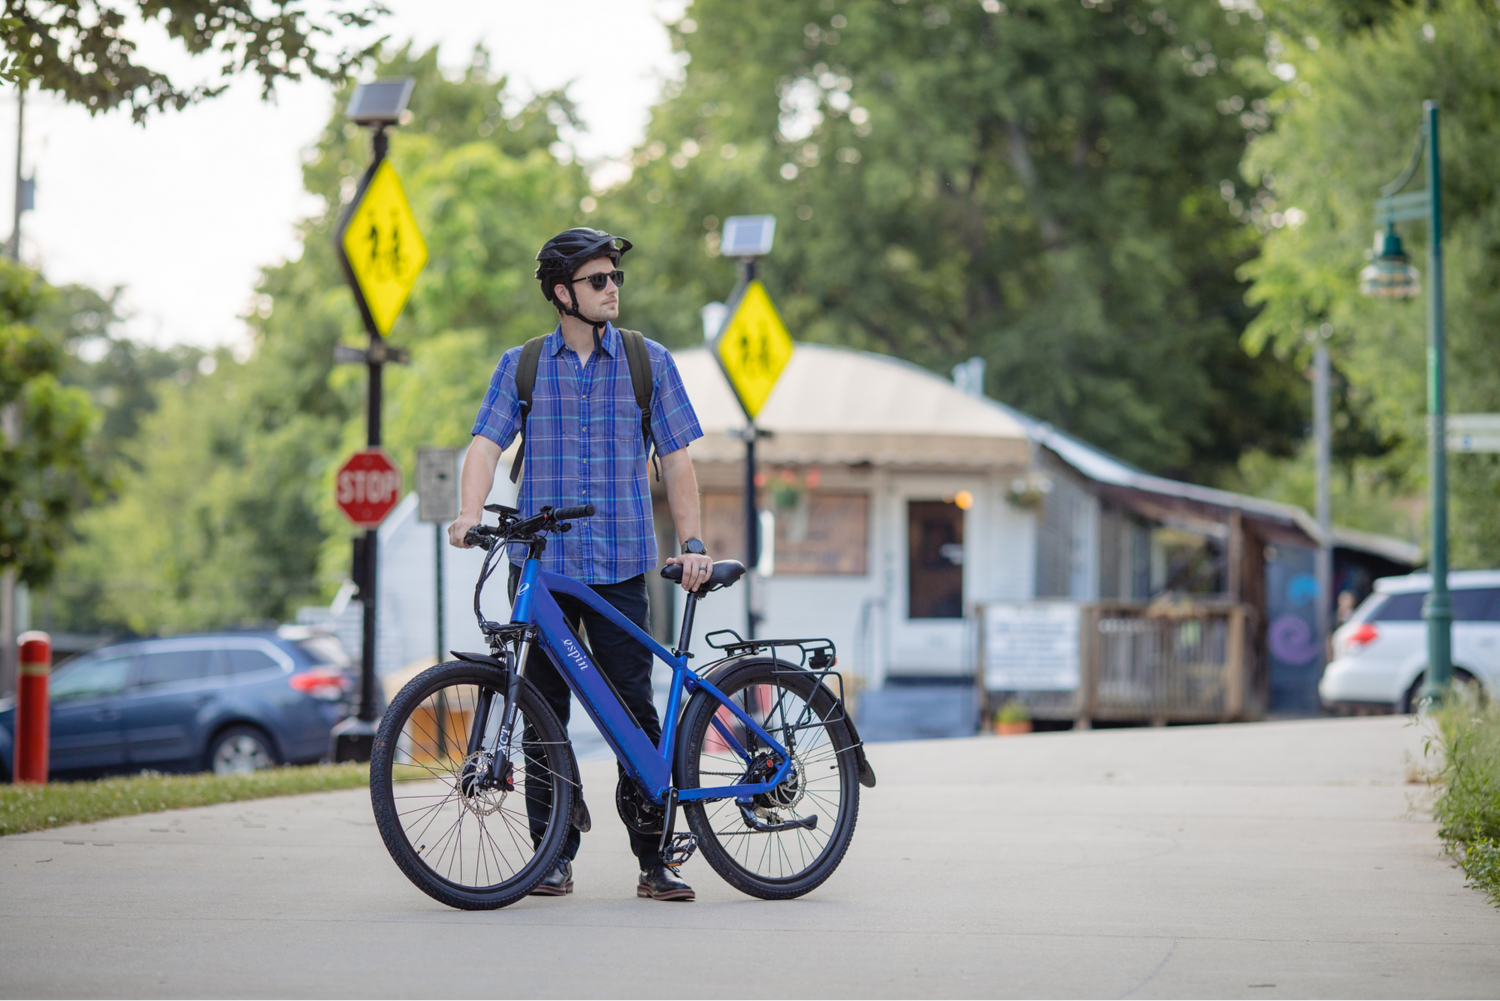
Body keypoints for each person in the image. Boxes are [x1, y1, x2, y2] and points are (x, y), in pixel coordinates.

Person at [449, 227, 713, 902]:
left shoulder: (647, 362)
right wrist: (469, 509)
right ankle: (552, 855)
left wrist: (693, 544)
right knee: (540, 714)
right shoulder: (523, 366)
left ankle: (654, 859)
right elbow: (485, 442)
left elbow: (678, 457)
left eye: (616, 278)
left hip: (623, 564)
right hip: (542, 568)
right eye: (599, 280)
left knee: (633, 711)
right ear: (563, 293)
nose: (613, 289)